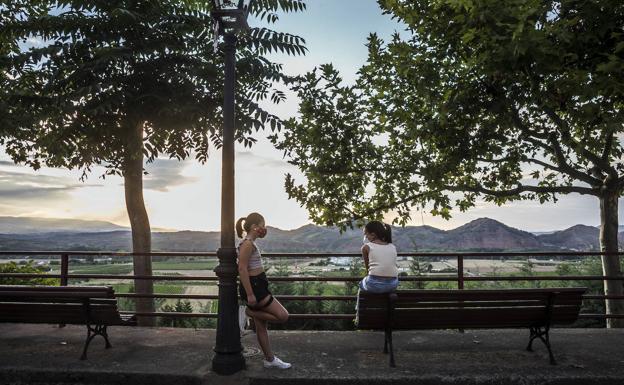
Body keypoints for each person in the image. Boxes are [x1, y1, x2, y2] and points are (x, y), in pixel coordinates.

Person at [236, 212, 291, 369]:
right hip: (255, 288)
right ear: (254, 227)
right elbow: (242, 269)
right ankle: (248, 312)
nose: (264, 228)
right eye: (262, 225)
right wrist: (251, 294)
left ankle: (269, 359)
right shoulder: (247, 244)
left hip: (258, 286)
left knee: (261, 326)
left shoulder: (249, 243)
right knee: (283, 316)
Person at [359, 221, 399, 293]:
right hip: (393, 285)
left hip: (373, 285)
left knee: (361, 284)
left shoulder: (366, 247)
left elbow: (368, 270)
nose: (365, 237)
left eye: (366, 234)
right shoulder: (392, 247)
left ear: (373, 235)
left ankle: (359, 305)